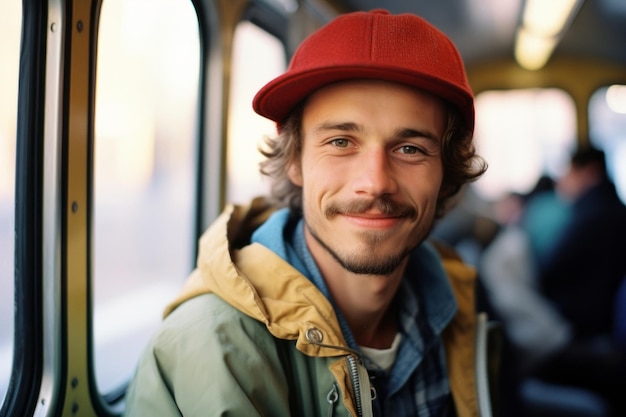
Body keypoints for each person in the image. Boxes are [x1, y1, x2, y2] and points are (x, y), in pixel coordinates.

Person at [124, 9, 488, 417]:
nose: (375, 182)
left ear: (446, 174)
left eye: (410, 149)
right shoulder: (211, 350)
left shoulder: (458, 300)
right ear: (294, 160)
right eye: (340, 142)